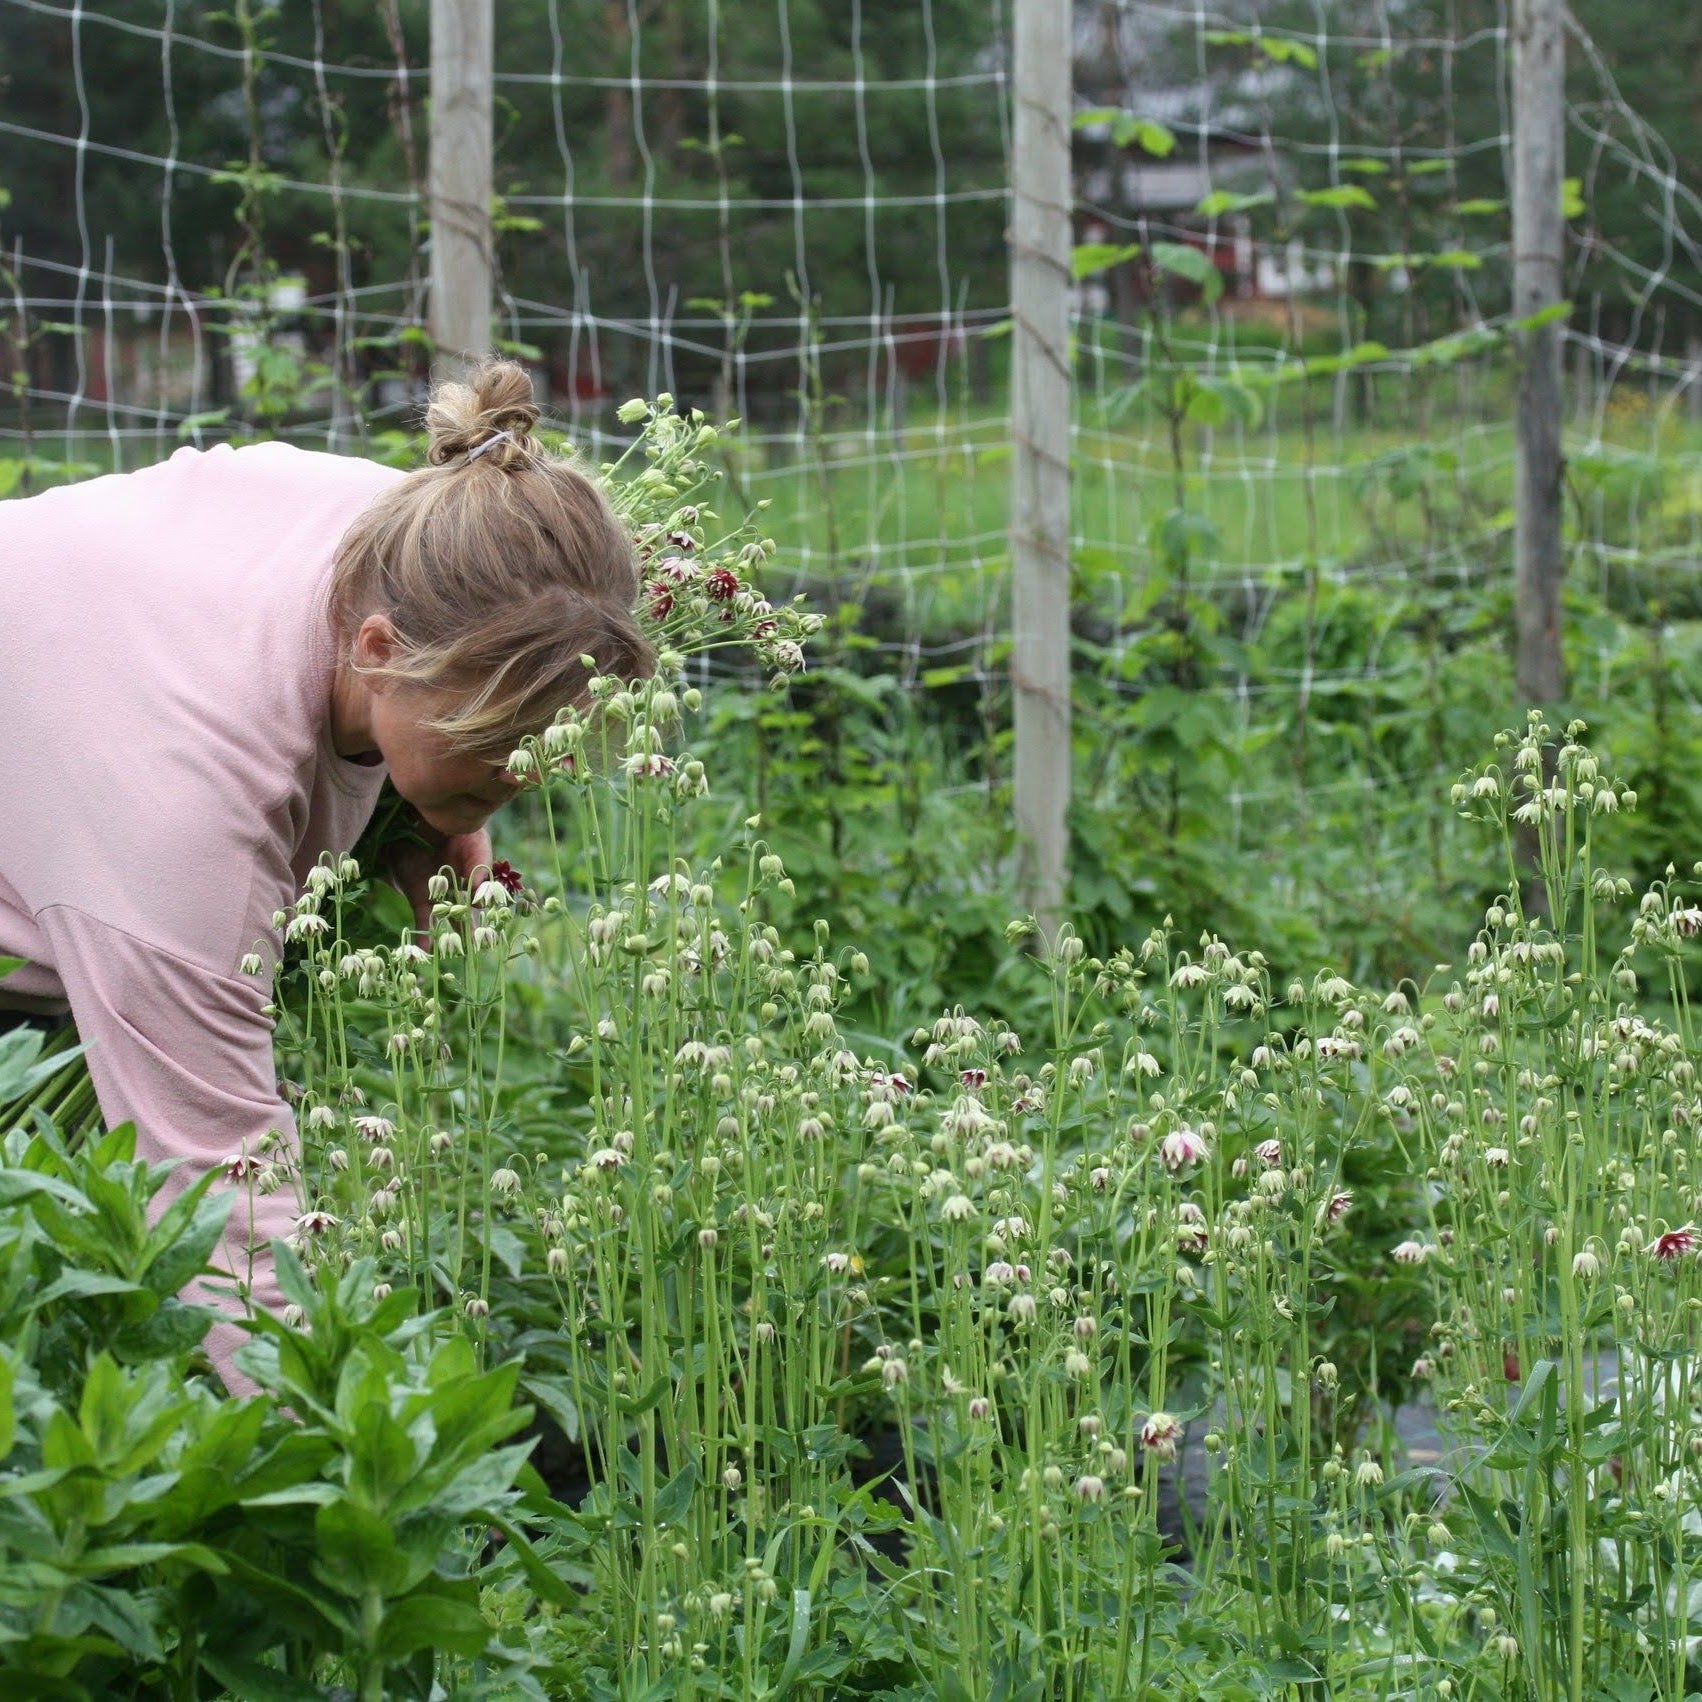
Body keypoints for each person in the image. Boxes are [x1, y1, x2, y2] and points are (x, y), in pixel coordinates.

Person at [0, 357, 652, 1386]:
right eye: (505, 742)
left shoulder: (421, 535)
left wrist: (437, 807)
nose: (539, 771)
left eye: (551, 738)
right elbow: (218, 1203)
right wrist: (348, 1474)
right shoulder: (183, 819)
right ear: (382, 649)